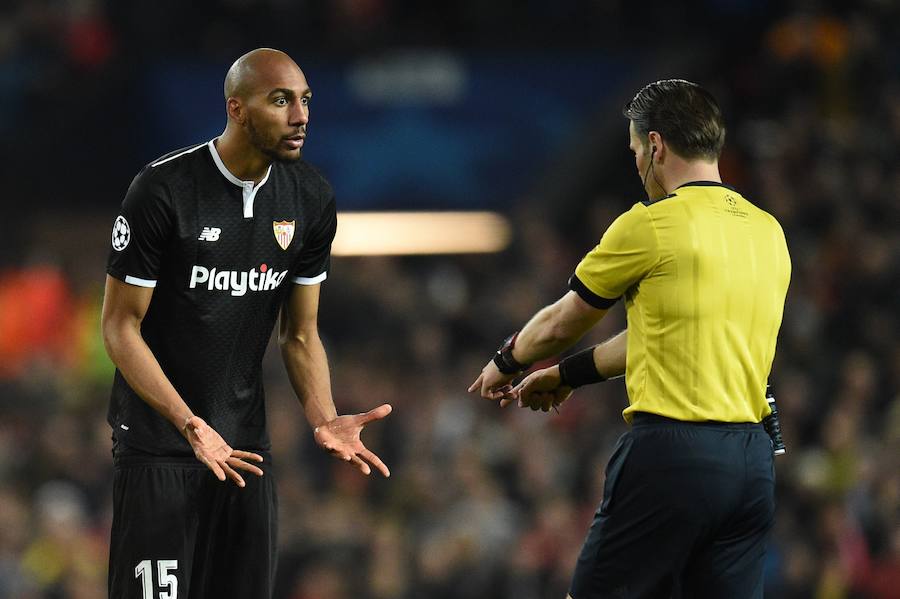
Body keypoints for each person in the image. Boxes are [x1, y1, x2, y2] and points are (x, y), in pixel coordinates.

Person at [469, 79, 791, 598]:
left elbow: (561, 322)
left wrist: (506, 361)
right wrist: (567, 374)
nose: (638, 164)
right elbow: (660, 337)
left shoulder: (652, 225)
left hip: (671, 456)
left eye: (637, 150)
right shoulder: (769, 232)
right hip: (752, 465)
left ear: (657, 146)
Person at [101, 48, 391, 599]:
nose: (300, 115)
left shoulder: (309, 198)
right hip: (160, 451)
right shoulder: (163, 191)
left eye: (305, 100)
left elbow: (300, 334)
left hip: (246, 453)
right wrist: (190, 424)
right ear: (236, 108)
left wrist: (323, 417)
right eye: (280, 100)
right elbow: (119, 327)